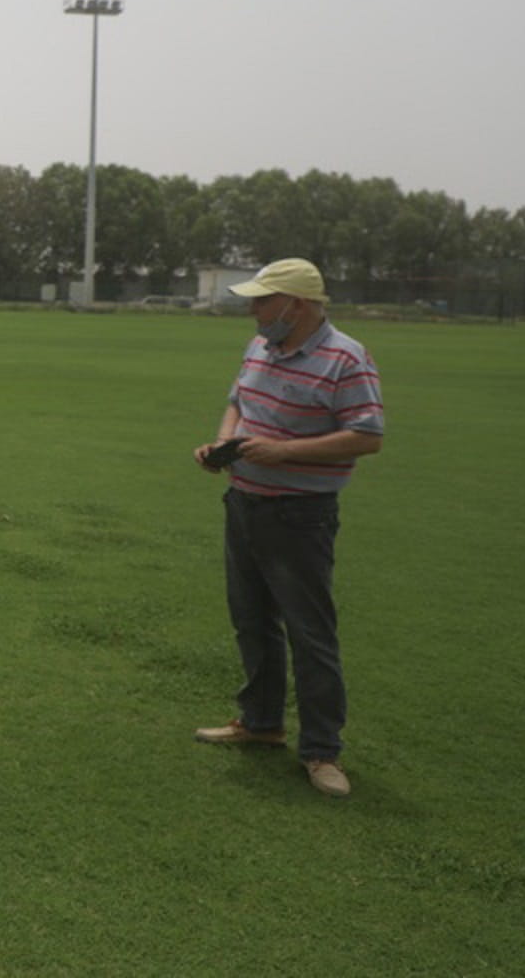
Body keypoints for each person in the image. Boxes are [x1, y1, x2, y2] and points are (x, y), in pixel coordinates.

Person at [192, 258, 384, 798]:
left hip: (300, 515)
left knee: (310, 633)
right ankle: (261, 723)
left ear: (295, 305)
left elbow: (368, 434)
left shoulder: (345, 357)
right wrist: (220, 444)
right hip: (244, 501)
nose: (253, 310)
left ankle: (323, 751)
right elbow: (238, 401)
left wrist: (284, 453)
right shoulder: (261, 346)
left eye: (262, 300)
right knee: (251, 621)